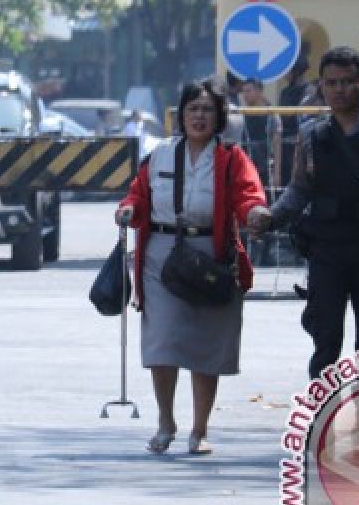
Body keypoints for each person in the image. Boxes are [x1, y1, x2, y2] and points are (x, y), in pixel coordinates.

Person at [114, 78, 269, 456]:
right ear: (180, 115)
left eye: (207, 109)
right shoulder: (159, 155)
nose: (200, 116)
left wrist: (256, 214)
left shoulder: (232, 157)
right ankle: (166, 421)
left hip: (213, 255)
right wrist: (129, 208)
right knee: (162, 341)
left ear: (219, 116)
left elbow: (249, 195)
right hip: (161, 256)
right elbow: (137, 192)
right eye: (193, 109)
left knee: (206, 345)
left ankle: (199, 430)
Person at [257, 47, 359, 384]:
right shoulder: (312, 134)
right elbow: (299, 189)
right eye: (331, 83)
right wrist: (270, 217)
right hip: (326, 249)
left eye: (347, 82)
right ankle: (322, 422)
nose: (339, 89)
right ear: (321, 86)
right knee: (326, 339)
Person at [240, 78, 282, 199]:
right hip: (246, 167)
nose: (245, 95)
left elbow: (277, 143)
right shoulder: (241, 114)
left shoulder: (271, 114)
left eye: (248, 91)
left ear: (259, 91)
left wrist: (277, 173)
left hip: (266, 168)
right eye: (243, 91)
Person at [278, 55, 312, 188]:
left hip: (300, 142)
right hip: (284, 145)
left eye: (288, 69)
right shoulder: (284, 92)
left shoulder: (309, 91)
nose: (284, 73)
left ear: (296, 71)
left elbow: (302, 116)